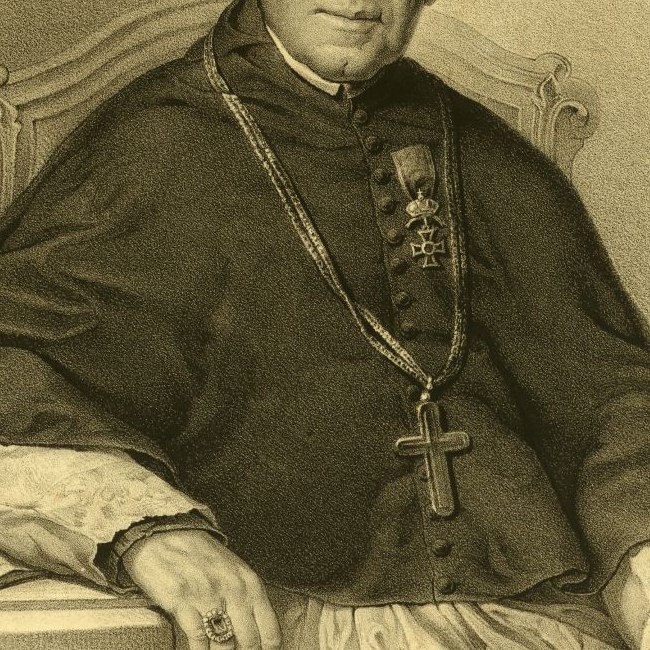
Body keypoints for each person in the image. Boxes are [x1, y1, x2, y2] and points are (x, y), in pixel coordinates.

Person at [0, 0, 649, 648]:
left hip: (532, 609)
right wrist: (146, 529)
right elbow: (21, 372)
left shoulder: (480, 147)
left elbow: (604, 386)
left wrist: (640, 542)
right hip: (285, 610)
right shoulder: (151, 140)